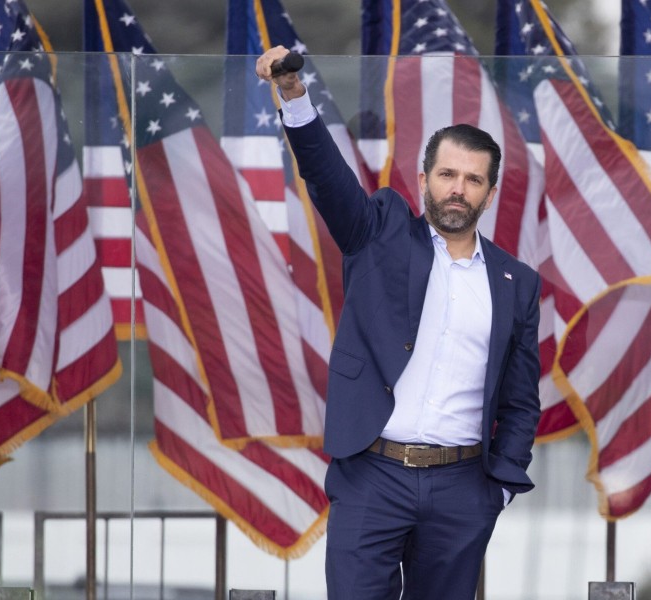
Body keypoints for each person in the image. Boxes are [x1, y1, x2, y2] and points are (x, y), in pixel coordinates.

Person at [256, 46, 542, 600]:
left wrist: (500, 486)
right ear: (424, 179)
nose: (458, 188)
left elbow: (520, 398)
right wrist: (295, 96)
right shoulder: (380, 232)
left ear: (490, 191)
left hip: (463, 487)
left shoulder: (517, 282)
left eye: (473, 179)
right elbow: (327, 177)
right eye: (447, 174)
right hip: (372, 475)